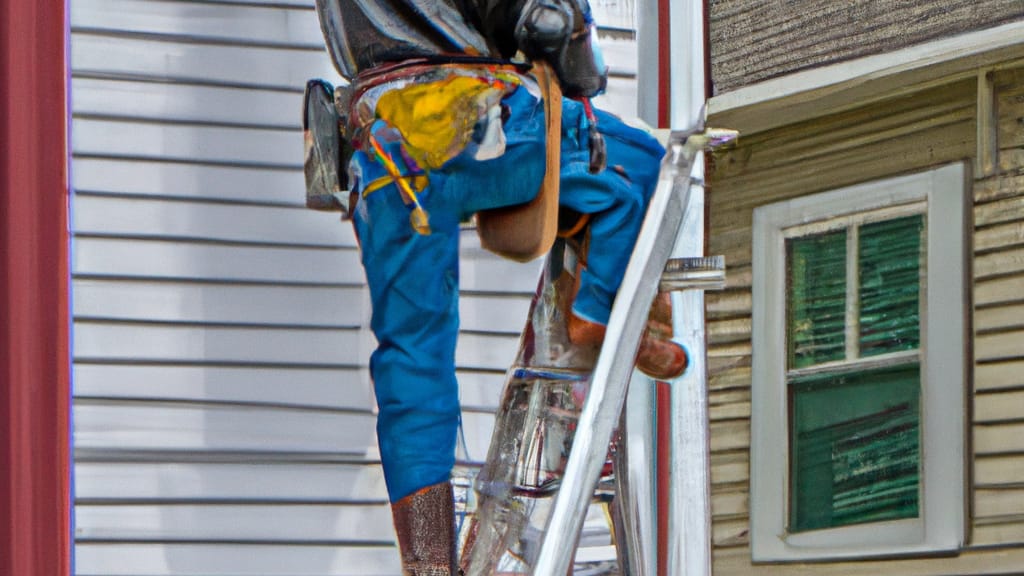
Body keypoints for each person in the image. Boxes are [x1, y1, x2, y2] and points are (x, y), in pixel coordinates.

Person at [304, 1, 687, 573]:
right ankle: (594, 310)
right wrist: (582, 66)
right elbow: (545, 18)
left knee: (411, 351)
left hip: (379, 138)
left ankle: (429, 562)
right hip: (475, 123)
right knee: (642, 161)